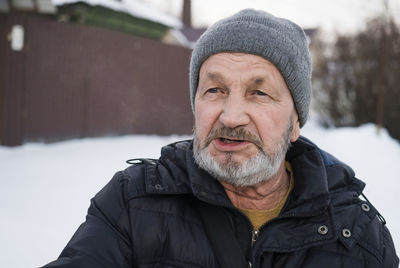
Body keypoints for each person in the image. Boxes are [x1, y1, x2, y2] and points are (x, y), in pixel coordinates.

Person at [42, 9, 398, 268]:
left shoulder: (358, 239)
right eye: (214, 89)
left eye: (259, 93)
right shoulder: (132, 205)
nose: (230, 116)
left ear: (294, 123)